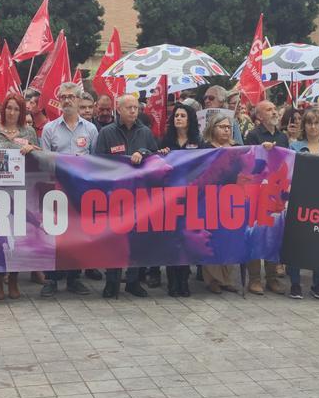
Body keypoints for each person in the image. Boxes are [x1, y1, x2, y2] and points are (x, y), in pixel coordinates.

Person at [93, 93, 159, 298]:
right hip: (115, 194)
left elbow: (156, 157)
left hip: (140, 195)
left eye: (136, 108)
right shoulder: (106, 132)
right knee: (114, 239)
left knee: (137, 239)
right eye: (128, 107)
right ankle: (112, 282)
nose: (133, 111)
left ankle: (133, 281)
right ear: (118, 110)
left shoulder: (145, 132)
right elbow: (99, 162)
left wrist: (144, 152)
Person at [38, 82, 98, 297]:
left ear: (79, 99)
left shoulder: (90, 129)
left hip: (81, 188)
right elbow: (44, 160)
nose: (67, 100)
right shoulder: (49, 129)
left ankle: (74, 278)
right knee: (54, 235)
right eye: (63, 96)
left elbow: (96, 160)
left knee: (77, 234)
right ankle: (51, 280)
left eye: (71, 96)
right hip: (57, 188)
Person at [0, 93, 39, 300]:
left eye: (16, 109)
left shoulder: (29, 131)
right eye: (9, 108)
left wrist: (33, 148)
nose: (12, 112)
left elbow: (40, 157)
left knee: (17, 238)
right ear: (3, 110)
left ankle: (13, 279)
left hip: (21, 193)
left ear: (21, 112)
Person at [286, 108, 319, 299]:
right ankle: (295, 283)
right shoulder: (294, 147)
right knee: (297, 242)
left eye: (317, 122)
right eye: (309, 122)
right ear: (304, 125)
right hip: (301, 198)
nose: (313, 126)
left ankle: (318, 284)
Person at [241, 100, 289, 295]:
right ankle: (254, 279)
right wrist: (262, 150)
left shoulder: (283, 137)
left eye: (274, 108)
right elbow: (248, 162)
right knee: (255, 234)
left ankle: (272, 278)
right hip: (257, 191)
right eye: (269, 110)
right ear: (259, 116)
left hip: (276, 192)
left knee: (274, 233)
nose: (274, 112)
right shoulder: (253, 135)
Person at [158, 102, 202, 296]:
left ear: (189, 119)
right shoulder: (165, 142)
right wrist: (161, 155)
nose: (178, 118)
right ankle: (172, 282)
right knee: (171, 240)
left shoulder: (198, 142)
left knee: (186, 239)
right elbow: (156, 163)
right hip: (169, 198)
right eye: (176, 115)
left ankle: (183, 280)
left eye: (182, 115)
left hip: (191, 197)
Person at [200, 112, 241, 294]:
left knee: (230, 239)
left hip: (232, 198)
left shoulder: (238, 148)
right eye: (222, 127)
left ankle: (226, 278)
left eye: (228, 127)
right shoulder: (205, 148)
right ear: (212, 128)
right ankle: (213, 279)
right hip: (210, 199)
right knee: (212, 239)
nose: (226, 130)